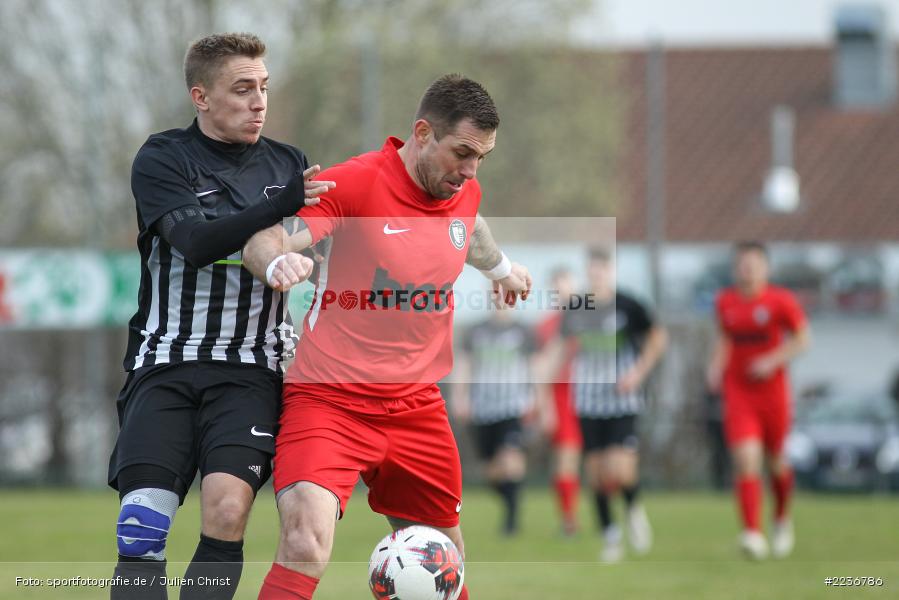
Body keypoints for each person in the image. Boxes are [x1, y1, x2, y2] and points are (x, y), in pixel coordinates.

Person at [242, 74, 531, 599]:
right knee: (306, 540)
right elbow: (273, 235)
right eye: (462, 153)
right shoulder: (356, 183)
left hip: (416, 407)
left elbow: (473, 227)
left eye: (481, 158)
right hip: (329, 401)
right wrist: (277, 261)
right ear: (422, 132)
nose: (469, 171)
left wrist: (503, 269)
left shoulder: (463, 190)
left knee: (444, 562)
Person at [106, 33, 334, 600]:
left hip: (251, 370)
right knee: (142, 527)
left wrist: (304, 263)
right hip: (166, 361)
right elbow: (195, 241)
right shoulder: (163, 157)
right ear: (200, 96)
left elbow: (307, 242)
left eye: (263, 88)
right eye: (241, 89)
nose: (258, 101)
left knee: (228, 510)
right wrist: (280, 205)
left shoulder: (288, 164)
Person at [540, 247, 667, 563]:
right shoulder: (578, 308)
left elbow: (657, 337)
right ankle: (611, 536)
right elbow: (559, 349)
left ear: (611, 270)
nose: (596, 274)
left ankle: (634, 509)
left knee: (620, 469)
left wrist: (638, 372)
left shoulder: (628, 305)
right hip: (587, 400)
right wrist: (540, 383)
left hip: (622, 400)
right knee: (596, 472)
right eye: (591, 269)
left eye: (602, 268)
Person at [706, 241, 810, 560]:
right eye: (742, 263)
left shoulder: (781, 301)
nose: (747, 269)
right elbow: (725, 337)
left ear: (765, 267)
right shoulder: (725, 302)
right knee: (746, 459)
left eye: (753, 263)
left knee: (777, 462)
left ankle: (781, 518)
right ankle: (752, 533)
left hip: (773, 394)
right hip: (738, 391)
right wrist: (714, 366)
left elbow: (803, 339)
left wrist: (771, 360)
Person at [453, 299, 538, 536]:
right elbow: (465, 365)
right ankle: (511, 497)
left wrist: (537, 397)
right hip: (483, 409)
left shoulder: (524, 331)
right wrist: (461, 397)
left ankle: (511, 523)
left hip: (513, 407)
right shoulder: (475, 331)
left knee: (511, 462)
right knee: (492, 473)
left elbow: (534, 365)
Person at [535, 266, 583, 536]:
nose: (561, 291)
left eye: (565, 284)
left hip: (591, 394)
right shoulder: (545, 327)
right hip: (562, 395)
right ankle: (569, 520)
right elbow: (541, 368)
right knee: (566, 459)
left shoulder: (592, 319)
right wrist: (545, 405)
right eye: (555, 287)